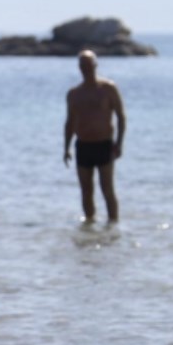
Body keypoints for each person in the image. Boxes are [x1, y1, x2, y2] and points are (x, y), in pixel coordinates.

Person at [64, 50, 126, 224]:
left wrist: (119, 143)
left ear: (95, 65)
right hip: (83, 145)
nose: (86, 69)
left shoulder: (108, 88)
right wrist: (66, 148)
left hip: (104, 144)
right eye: (83, 65)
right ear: (79, 68)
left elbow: (121, 116)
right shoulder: (74, 93)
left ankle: (113, 225)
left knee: (107, 188)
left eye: (89, 65)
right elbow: (69, 122)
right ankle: (89, 224)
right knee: (86, 190)